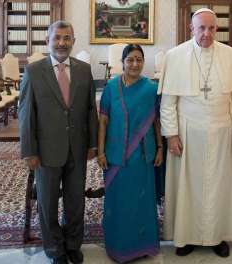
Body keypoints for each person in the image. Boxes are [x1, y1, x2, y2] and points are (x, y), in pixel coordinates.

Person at [158, 8, 232, 258]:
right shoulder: (175, 56)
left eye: (211, 28)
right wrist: (171, 134)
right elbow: (168, 103)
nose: (206, 33)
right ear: (191, 28)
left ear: (217, 29)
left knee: (220, 185)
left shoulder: (230, 55)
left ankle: (217, 236)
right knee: (187, 186)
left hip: (222, 131)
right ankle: (186, 236)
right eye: (201, 28)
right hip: (188, 133)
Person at [19, 21, 98, 264]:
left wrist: (93, 144)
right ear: (48, 41)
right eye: (57, 38)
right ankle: (55, 250)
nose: (62, 43)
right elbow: (26, 115)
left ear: (73, 41)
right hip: (46, 151)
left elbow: (89, 110)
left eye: (67, 38)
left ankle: (73, 245)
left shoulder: (84, 70)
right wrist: (29, 151)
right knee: (48, 203)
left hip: (77, 148)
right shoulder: (33, 71)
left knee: (76, 201)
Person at [97, 44, 162, 263]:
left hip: (143, 155)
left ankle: (142, 246)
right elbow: (103, 120)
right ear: (122, 62)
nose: (135, 64)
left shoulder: (151, 88)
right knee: (118, 201)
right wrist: (100, 151)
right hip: (116, 154)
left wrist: (160, 148)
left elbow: (157, 122)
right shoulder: (111, 87)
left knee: (142, 200)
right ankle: (118, 247)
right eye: (130, 60)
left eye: (139, 60)